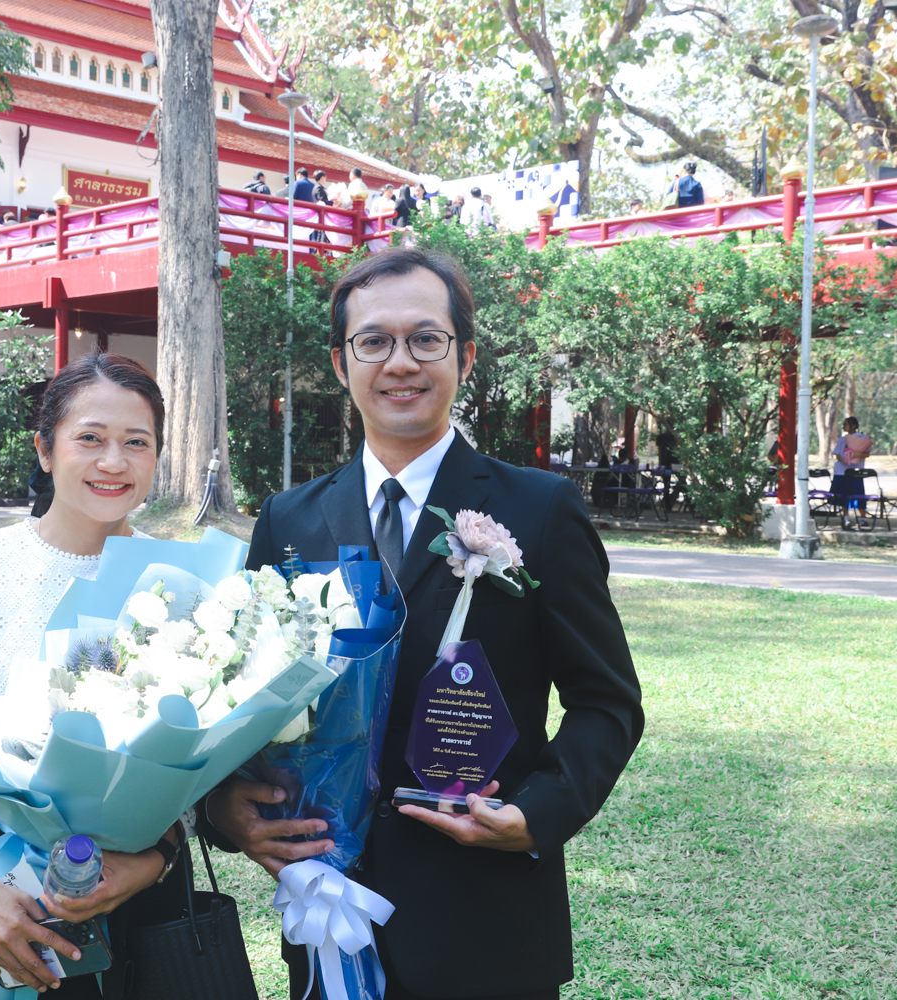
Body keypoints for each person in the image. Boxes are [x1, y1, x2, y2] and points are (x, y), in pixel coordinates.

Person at [205, 247, 643, 1000]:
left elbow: (607, 702)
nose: (400, 362)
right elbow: (244, 694)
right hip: (329, 907)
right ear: (341, 364)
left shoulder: (540, 509)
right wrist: (225, 811)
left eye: (425, 339)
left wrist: (537, 815)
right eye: (374, 341)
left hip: (484, 919)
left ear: (464, 357)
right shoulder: (288, 520)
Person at [0, 354, 187, 996]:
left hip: (146, 892)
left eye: (137, 442)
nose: (114, 462)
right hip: (4, 890)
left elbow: (206, 748)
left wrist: (152, 859)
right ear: (45, 450)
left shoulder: (181, 583)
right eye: (90, 438)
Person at [831, 415, 873, 530]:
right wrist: (843, 459)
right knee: (843, 495)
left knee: (858, 494)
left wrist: (858, 455)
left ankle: (863, 517)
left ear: (853, 426)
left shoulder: (862, 438)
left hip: (855, 472)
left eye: (846, 424)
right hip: (841, 472)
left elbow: (867, 453)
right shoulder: (842, 439)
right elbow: (837, 454)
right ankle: (846, 517)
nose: (843, 426)